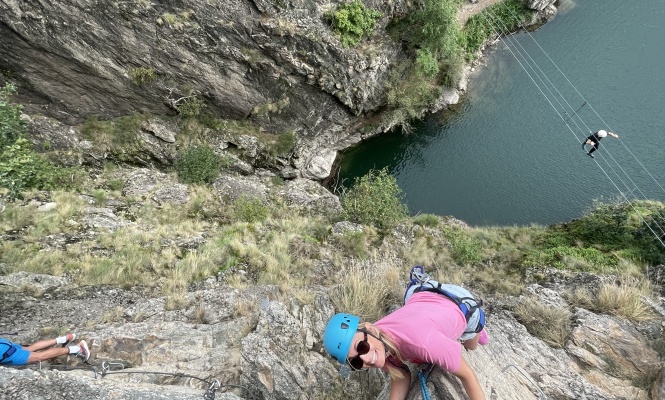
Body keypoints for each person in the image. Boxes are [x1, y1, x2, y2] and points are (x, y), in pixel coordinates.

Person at [323, 290, 488, 400]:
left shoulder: (423, 343)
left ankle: (479, 330)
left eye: (361, 347)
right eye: (357, 362)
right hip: (424, 301)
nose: (367, 359)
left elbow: (468, 376)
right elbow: (400, 373)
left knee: (472, 343)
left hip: (460, 303)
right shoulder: (378, 340)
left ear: (369, 328)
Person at [0, 333, 90, 366]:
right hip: (3, 344)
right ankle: (63, 339)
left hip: (4, 352)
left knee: (40, 356)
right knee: (29, 349)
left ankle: (77, 348)